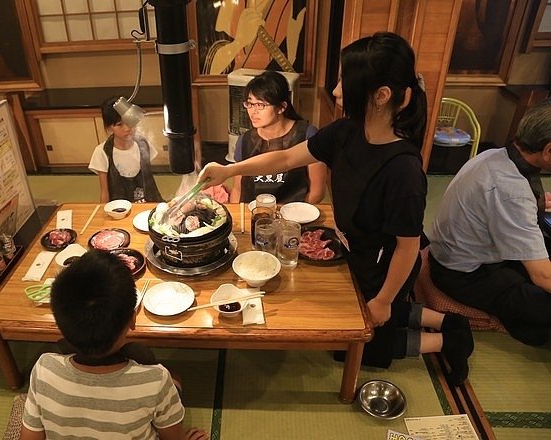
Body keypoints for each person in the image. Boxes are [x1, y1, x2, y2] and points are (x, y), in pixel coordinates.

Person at [199, 32, 473, 385]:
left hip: (384, 263)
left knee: (358, 342)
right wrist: (230, 169)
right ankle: (444, 318)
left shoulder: (403, 169)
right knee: (355, 312)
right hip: (352, 249)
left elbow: (408, 248)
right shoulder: (346, 131)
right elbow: (285, 156)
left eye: (345, 80)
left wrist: (385, 300)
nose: (337, 90)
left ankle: (447, 338)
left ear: (381, 95)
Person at [20, 250, 208, 440]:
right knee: (174, 379)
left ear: (60, 324)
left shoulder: (44, 368)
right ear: (133, 319)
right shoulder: (155, 380)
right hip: (155, 389)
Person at [428, 99, 551, 346]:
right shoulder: (512, 191)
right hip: (464, 274)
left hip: (452, 254)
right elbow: (542, 276)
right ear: (548, 150)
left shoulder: (495, 155)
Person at [231, 70, 326, 204]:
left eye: (260, 105)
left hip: (294, 215)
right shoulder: (245, 140)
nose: (253, 111)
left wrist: (293, 215)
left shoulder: (307, 135)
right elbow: (238, 190)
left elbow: (317, 192)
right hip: (255, 213)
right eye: (249, 104)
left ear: (281, 107)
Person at [88, 97, 163, 203]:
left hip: (148, 203)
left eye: (129, 122)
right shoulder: (102, 152)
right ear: (109, 128)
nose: (127, 128)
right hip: (119, 208)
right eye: (119, 125)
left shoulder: (144, 145)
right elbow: (104, 192)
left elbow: (149, 181)